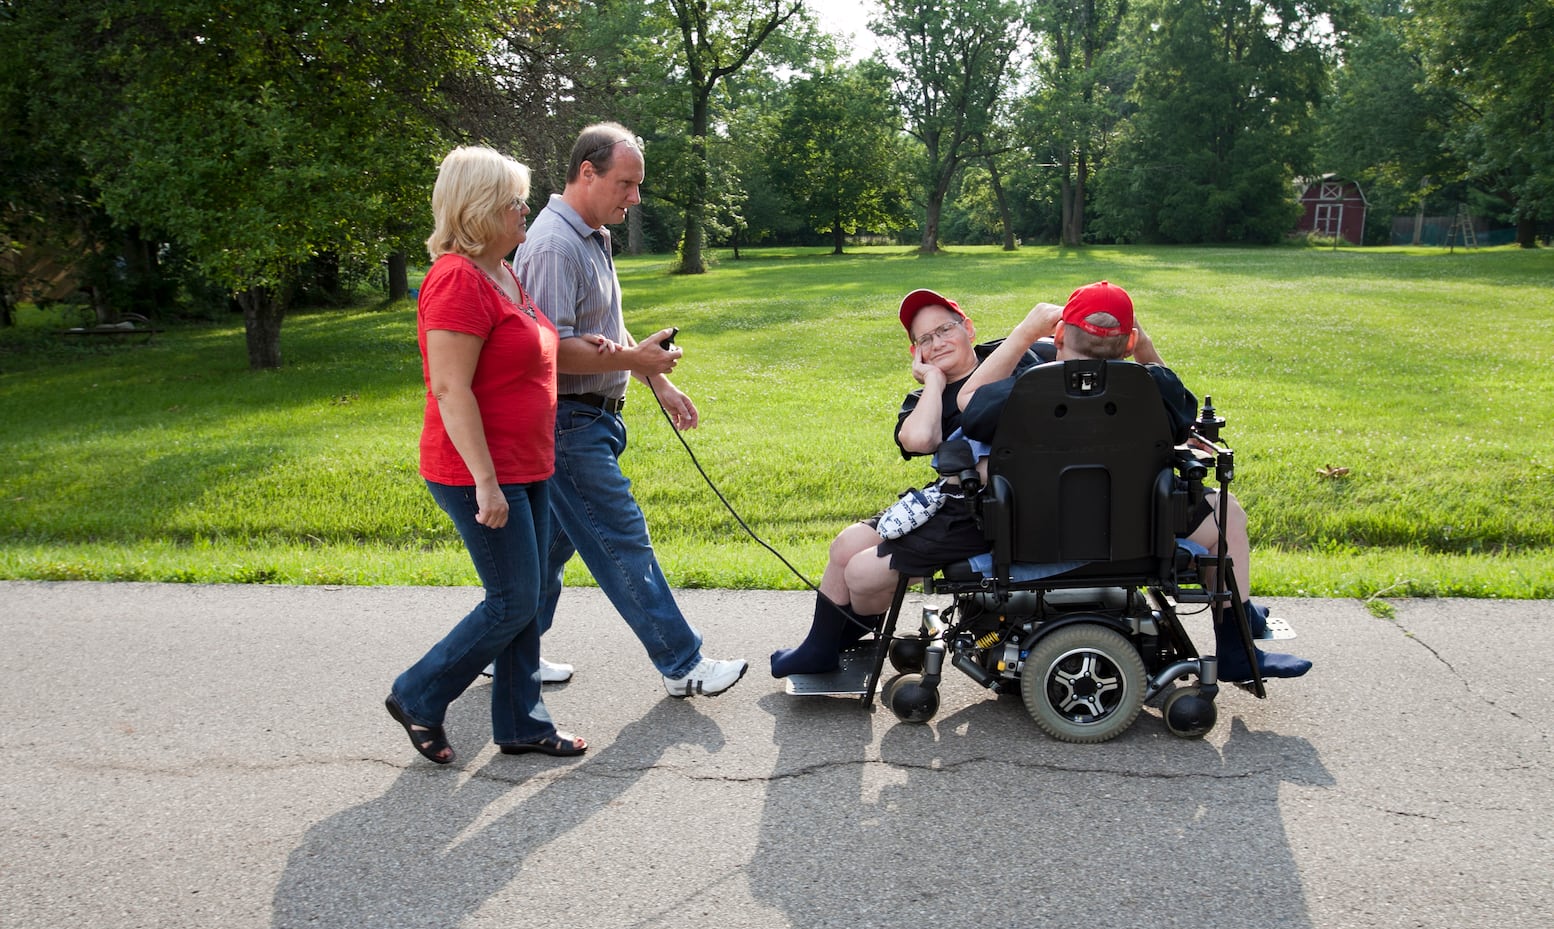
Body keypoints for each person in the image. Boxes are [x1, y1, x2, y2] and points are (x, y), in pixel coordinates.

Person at [849, 279, 1311, 683]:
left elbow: (969, 406)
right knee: (1229, 517)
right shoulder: (1155, 390)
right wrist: (1141, 346)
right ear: (1130, 341)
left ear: (1056, 337)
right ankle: (1235, 639)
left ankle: (1240, 621)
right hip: (1133, 523)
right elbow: (1177, 400)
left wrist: (1025, 332)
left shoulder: (1020, 390)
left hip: (1033, 527)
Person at [510, 121, 747, 698]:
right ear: (586, 173)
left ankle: (507, 655)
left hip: (594, 417)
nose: (634, 197)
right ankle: (681, 663)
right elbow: (549, 351)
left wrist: (651, 377)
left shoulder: (590, 234)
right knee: (622, 540)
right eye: (626, 183)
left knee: (548, 549)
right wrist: (634, 359)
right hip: (568, 422)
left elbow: (602, 329)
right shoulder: (552, 245)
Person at [384, 146, 588, 766]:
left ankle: (521, 722)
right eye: (513, 202)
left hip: (527, 463)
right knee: (513, 600)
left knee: (525, 599)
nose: (525, 210)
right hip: (481, 472)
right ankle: (419, 692)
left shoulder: (503, 269)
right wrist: (485, 482)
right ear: (477, 211)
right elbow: (450, 388)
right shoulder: (455, 280)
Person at [770, 289, 1053, 677]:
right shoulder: (922, 398)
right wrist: (935, 383)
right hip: (954, 499)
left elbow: (1082, 345)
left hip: (995, 508)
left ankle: (851, 631)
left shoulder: (1015, 355)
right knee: (845, 545)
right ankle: (823, 645)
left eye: (946, 330)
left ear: (968, 327)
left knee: (861, 574)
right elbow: (919, 441)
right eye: (925, 339)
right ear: (916, 352)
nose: (937, 343)